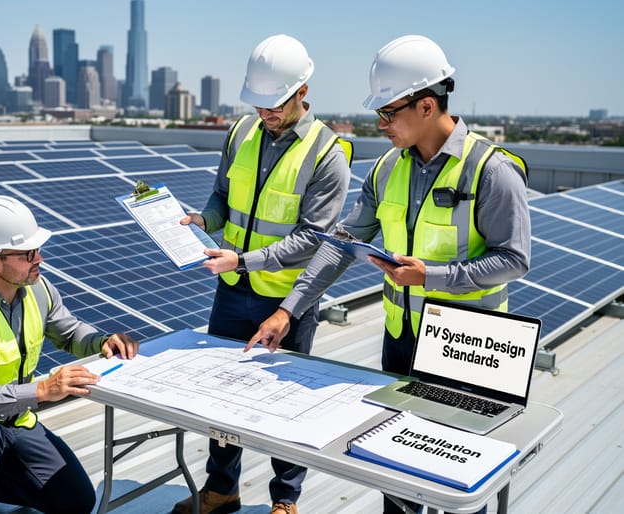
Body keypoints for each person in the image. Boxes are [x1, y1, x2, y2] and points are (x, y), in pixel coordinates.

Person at [247, 35, 530, 514]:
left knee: (460, 479)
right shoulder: (384, 170)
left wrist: (432, 276)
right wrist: (287, 311)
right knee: (397, 470)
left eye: (387, 113)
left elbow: (515, 259)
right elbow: (340, 245)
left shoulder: (490, 170)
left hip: (470, 348)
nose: (380, 125)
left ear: (425, 106)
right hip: (403, 339)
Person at [172, 34, 353, 514]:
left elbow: (313, 239)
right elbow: (221, 197)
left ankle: (285, 502)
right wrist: (203, 220)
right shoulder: (240, 134)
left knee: (286, 405)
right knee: (221, 398)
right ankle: (222, 488)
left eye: (274, 105)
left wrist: (243, 261)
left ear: (302, 91)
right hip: (232, 291)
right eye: (258, 105)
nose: (265, 114)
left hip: (286, 302)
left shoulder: (328, 153)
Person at [0, 195, 139, 514]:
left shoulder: (39, 288)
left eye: (37, 250)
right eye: (27, 254)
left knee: (76, 502)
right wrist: (41, 391)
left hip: (15, 418)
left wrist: (102, 341)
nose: (39, 259)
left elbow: (68, 331)